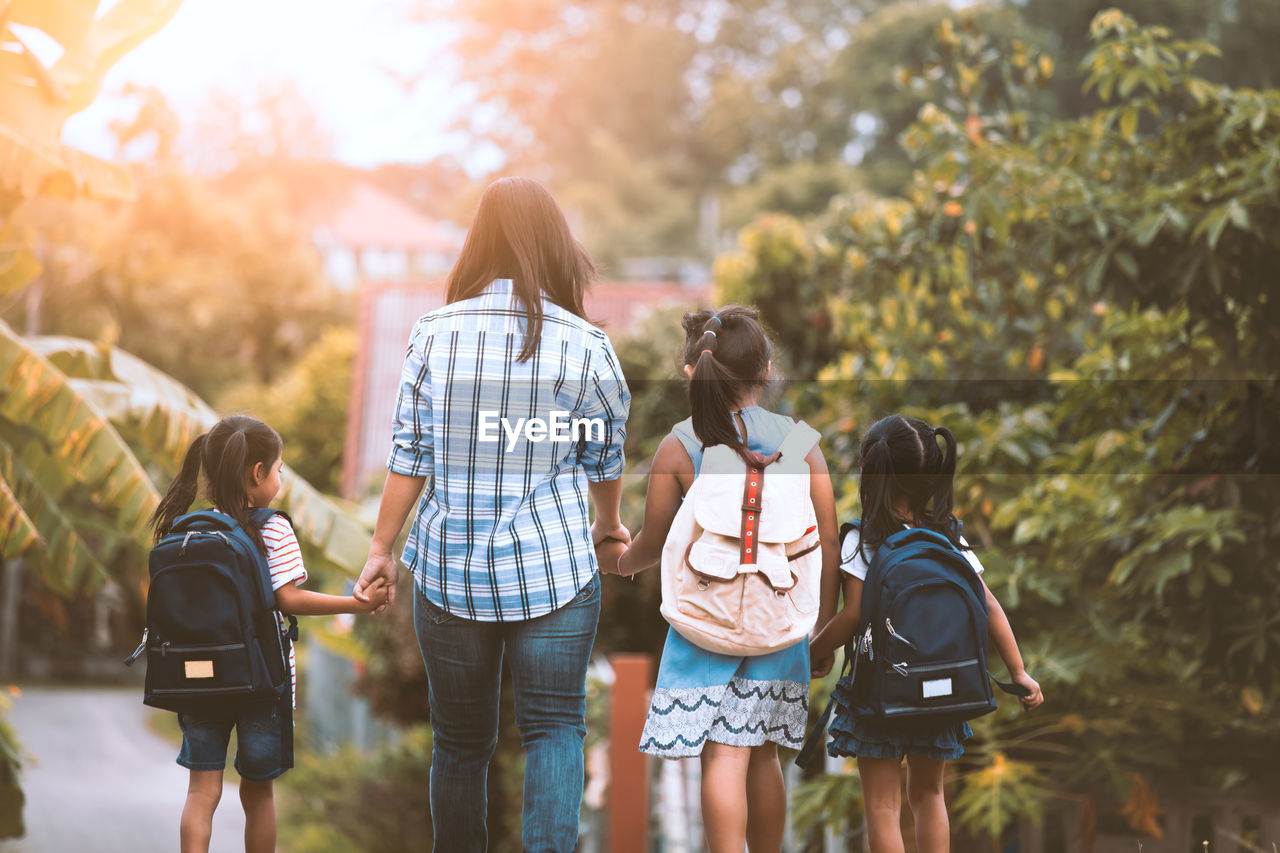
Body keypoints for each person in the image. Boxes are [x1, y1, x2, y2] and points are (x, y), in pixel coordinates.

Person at [353, 176, 631, 853]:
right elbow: (606, 455)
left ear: (479, 244)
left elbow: (408, 456)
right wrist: (608, 524)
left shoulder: (432, 334)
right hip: (557, 567)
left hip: (452, 571)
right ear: (556, 246)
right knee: (556, 727)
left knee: (460, 742)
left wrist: (381, 548)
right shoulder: (586, 343)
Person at [611, 306, 841, 853]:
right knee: (760, 751)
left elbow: (652, 542)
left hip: (704, 627)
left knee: (723, 751)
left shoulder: (681, 445)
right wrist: (824, 626)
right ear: (767, 367)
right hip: (781, 620)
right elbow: (827, 542)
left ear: (697, 371)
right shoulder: (802, 446)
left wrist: (617, 561)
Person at [150, 414, 389, 853]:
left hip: (198, 680)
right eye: (278, 470)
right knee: (258, 793)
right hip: (261, 682)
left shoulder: (194, 529)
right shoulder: (272, 527)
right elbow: (290, 600)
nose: (279, 480)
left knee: (201, 792)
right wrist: (357, 603)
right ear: (257, 473)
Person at [808, 413, 1045, 853]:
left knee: (882, 806)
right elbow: (988, 603)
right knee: (930, 795)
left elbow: (853, 615)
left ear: (870, 473)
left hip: (880, 692)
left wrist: (812, 652)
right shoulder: (948, 538)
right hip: (941, 690)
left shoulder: (863, 540)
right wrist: (1020, 670)